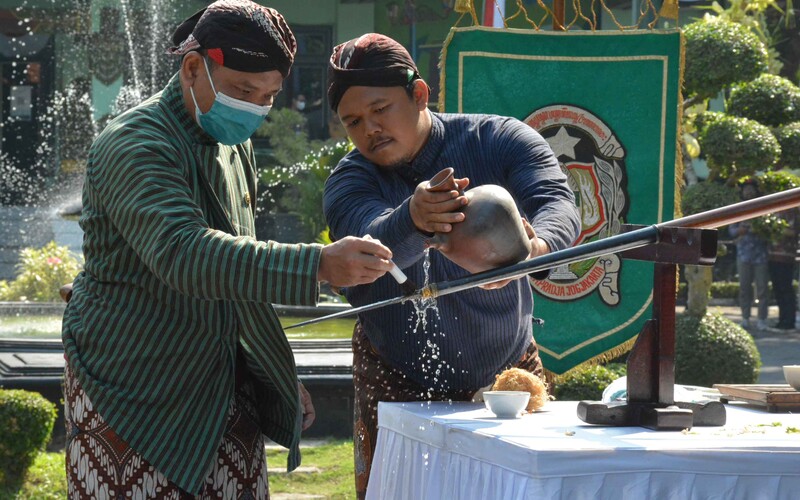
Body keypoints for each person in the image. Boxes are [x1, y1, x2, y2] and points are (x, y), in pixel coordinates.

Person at [61, 2, 394, 497]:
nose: (255, 107)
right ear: (194, 68)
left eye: (269, 95)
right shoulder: (136, 143)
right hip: (131, 387)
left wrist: (272, 370)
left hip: (220, 388)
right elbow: (183, 254)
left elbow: (238, 267)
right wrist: (318, 263)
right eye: (243, 90)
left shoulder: (232, 146)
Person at [322, 33, 581, 498]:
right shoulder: (350, 180)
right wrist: (412, 219)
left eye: (381, 109)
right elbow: (367, 254)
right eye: (353, 121)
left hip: (508, 373)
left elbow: (557, 202)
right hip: (395, 375)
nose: (370, 130)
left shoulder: (500, 138)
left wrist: (538, 251)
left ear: (419, 94)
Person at [729, 180, 769, 330]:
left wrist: (760, 229)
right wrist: (741, 230)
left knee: (762, 288)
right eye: (746, 189)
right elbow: (731, 231)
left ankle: (762, 319)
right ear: (742, 192)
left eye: (752, 189)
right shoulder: (738, 209)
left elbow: (770, 230)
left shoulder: (763, 208)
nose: (749, 192)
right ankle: (745, 318)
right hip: (743, 254)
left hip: (761, 255)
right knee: (744, 287)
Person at [768, 206, 799, 329]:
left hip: (786, 256)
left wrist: (775, 228)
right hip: (772, 255)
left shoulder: (794, 212)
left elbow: (793, 231)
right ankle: (782, 320)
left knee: (786, 288)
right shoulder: (774, 211)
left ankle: (789, 320)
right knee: (777, 289)